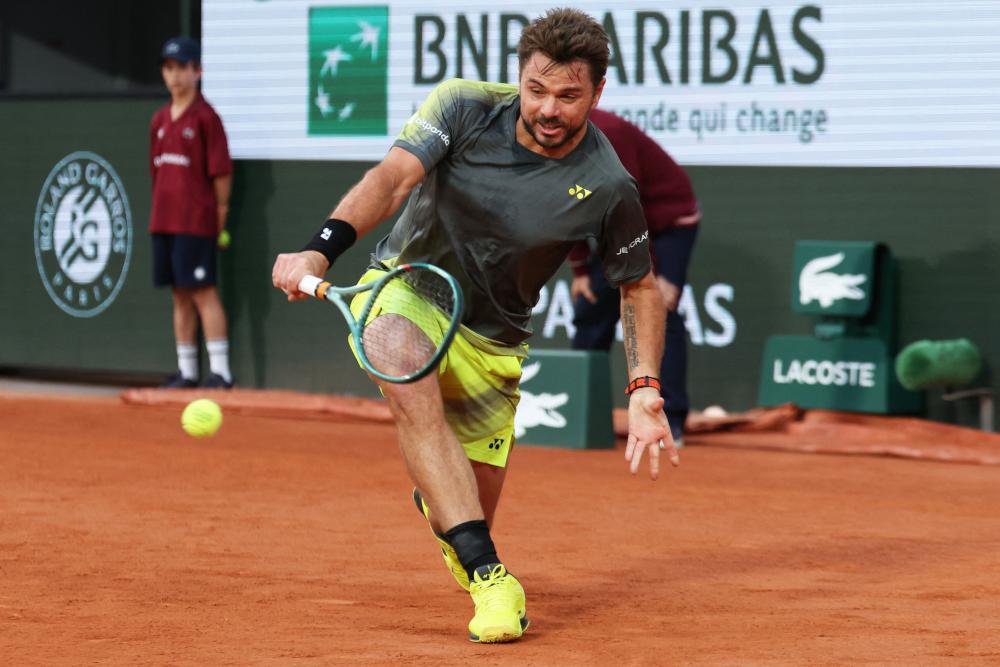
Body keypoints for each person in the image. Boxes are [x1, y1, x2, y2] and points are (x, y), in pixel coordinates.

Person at [271, 8, 679, 644]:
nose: (548, 108)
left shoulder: (608, 186)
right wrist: (320, 250)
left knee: (460, 508)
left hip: (495, 340)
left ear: (598, 93)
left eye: (569, 96)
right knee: (401, 364)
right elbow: (394, 178)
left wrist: (645, 387)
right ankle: (491, 576)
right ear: (519, 76)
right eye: (536, 89)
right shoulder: (461, 107)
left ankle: (445, 503)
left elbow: (638, 288)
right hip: (409, 287)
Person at [567, 109, 700, 446]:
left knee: (660, 310)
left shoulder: (609, 133)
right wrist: (581, 270)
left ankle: (670, 419)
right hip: (617, 230)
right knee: (591, 306)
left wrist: (650, 277)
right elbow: (564, 205)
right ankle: (578, 413)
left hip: (667, 224)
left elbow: (630, 203)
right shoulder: (550, 139)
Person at [150, 36, 234, 389]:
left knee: (203, 292)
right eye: (169, 68)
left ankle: (221, 372)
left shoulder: (206, 118)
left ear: (197, 71)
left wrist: (219, 215)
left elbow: (222, 174)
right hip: (164, 220)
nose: (176, 76)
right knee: (179, 295)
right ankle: (186, 371)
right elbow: (155, 173)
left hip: (196, 222)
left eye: (183, 68)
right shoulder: (157, 120)